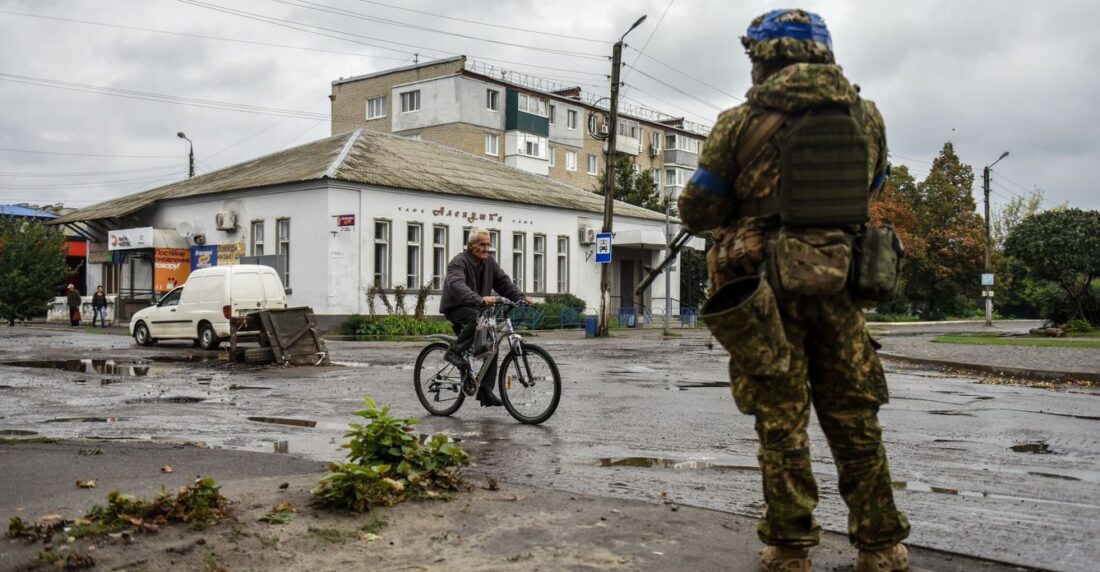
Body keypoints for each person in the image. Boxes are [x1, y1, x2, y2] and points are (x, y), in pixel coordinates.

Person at [679, 9, 909, 572]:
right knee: (855, 419)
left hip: (764, 291)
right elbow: (874, 184)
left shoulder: (739, 122)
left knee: (781, 421)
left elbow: (699, 208)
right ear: (824, 54)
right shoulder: (867, 117)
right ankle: (880, 546)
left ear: (761, 59)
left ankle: (789, 548)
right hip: (841, 285)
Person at [439, 228, 532, 407]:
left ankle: (485, 391)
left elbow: (504, 283)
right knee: (479, 319)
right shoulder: (458, 262)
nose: (486, 248)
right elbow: (457, 284)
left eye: (488, 244)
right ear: (471, 245)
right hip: (457, 307)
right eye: (482, 244)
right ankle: (454, 351)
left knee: (492, 343)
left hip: (478, 308)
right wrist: (479, 299)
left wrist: (520, 298)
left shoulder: (490, 263)